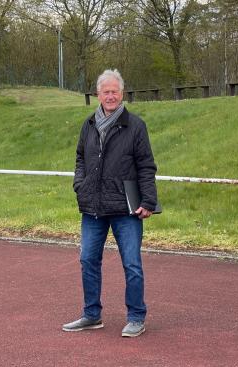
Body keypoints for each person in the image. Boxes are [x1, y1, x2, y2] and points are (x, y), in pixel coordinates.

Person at [62, 69, 158, 338]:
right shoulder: (89, 124)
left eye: (115, 91)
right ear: (98, 95)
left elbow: (146, 166)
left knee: (132, 263)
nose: (111, 96)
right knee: (88, 259)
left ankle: (136, 316)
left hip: (126, 207)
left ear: (122, 94)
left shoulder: (135, 126)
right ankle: (92, 315)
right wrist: (80, 185)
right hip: (92, 206)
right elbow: (80, 158)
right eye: (106, 91)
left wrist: (148, 200)